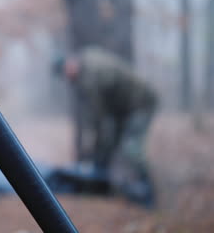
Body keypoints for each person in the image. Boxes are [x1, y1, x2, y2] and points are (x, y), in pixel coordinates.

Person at [54, 46, 158, 206]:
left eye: (65, 72)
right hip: (122, 110)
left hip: (140, 104)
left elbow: (100, 119)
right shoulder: (86, 66)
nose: (67, 78)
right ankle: (107, 188)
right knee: (109, 146)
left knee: (131, 150)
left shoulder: (91, 74)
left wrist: (94, 149)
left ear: (69, 64)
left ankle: (148, 195)